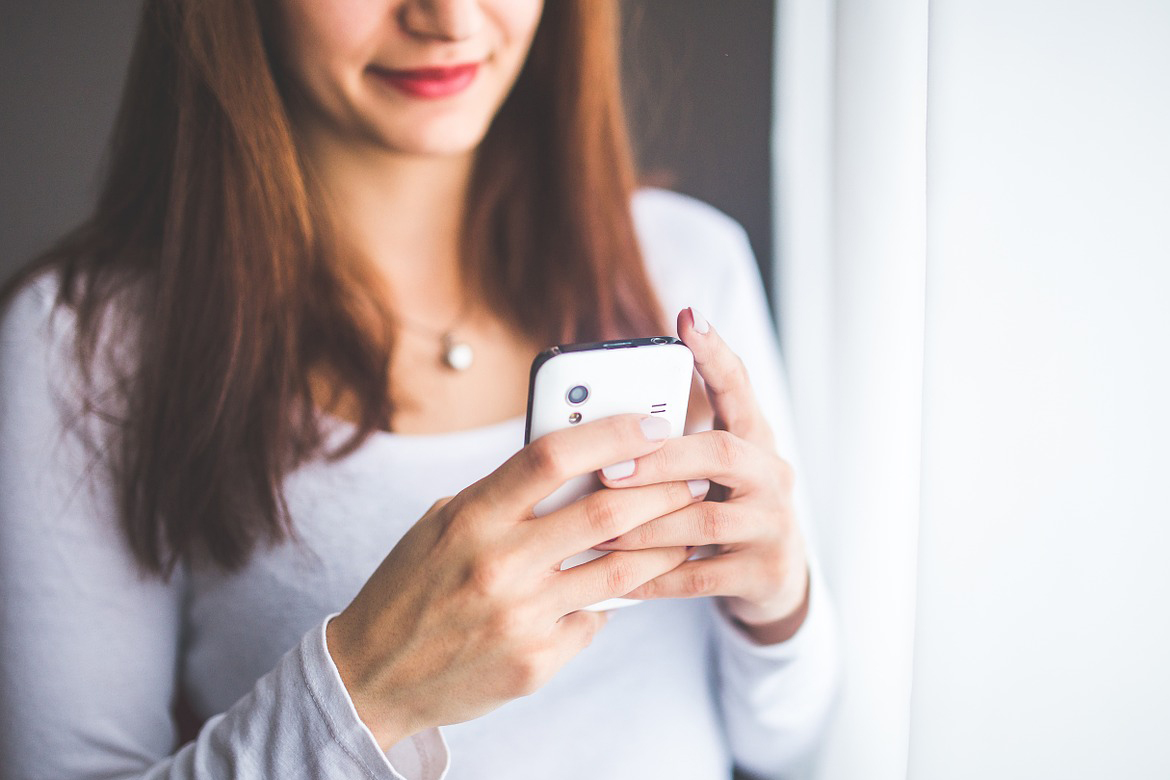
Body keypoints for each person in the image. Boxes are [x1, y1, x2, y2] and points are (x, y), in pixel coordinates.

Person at [0, 1, 839, 778]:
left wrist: (779, 603)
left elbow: (790, 739)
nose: (446, 19)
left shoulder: (689, 266)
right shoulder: (83, 343)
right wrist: (368, 690)